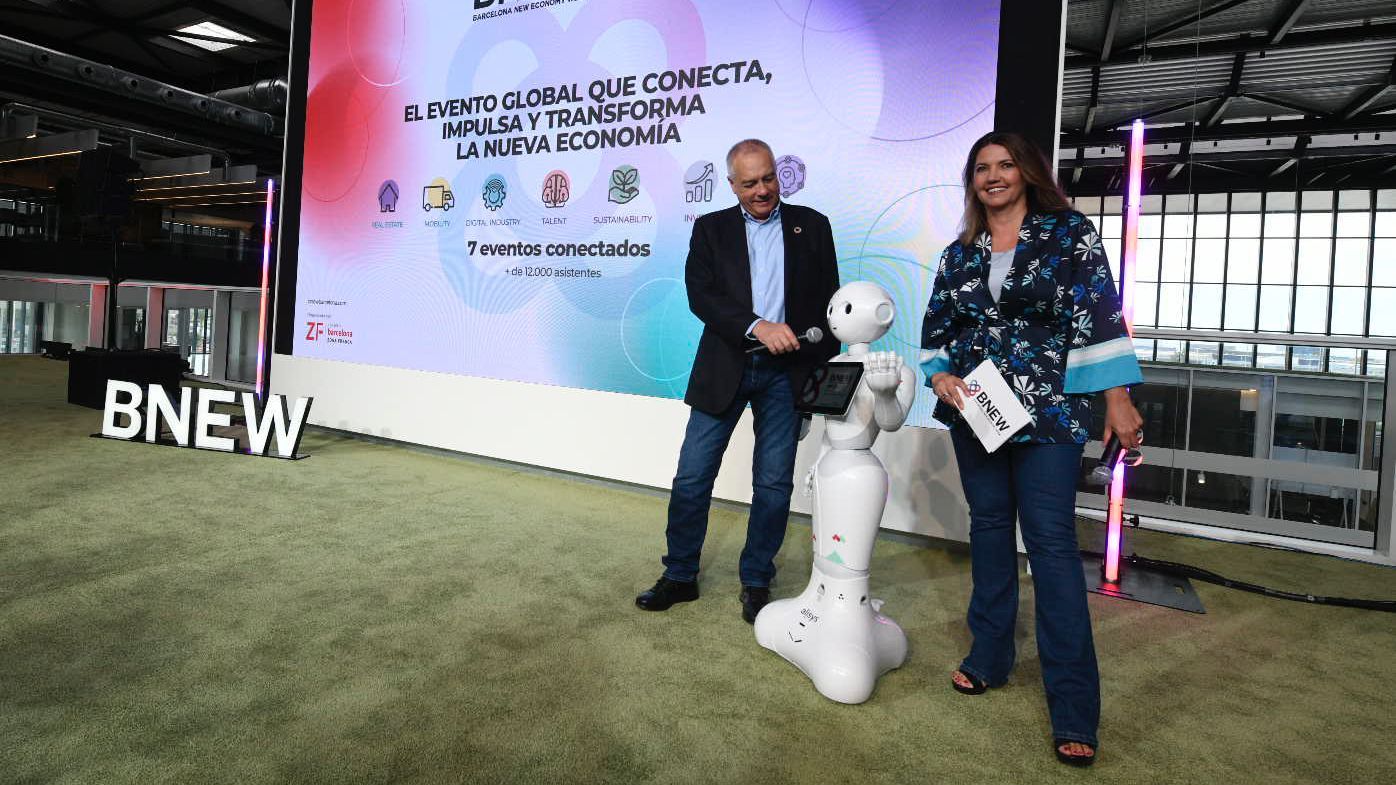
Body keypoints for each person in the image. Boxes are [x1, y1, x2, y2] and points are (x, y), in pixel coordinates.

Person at [920, 131, 1144, 767]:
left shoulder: (1070, 235)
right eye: (982, 169)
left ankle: (1073, 707)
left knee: (1048, 546)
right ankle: (988, 655)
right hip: (976, 413)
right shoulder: (958, 253)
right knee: (989, 530)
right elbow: (939, 330)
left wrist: (1118, 399)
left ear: (1026, 172)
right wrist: (940, 374)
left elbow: (1101, 314)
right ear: (972, 182)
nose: (993, 177)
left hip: (1048, 410)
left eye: (1004, 165)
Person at [635, 138, 840, 623]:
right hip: (726, 364)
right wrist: (757, 326)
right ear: (732, 185)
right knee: (691, 477)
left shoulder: (812, 226)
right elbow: (700, 295)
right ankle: (680, 574)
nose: (762, 190)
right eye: (750, 183)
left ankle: (755, 580)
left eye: (768, 178)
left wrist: (817, 379)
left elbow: (829, 305)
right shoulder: (710, 229)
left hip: (786, 375)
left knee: (772, 485)